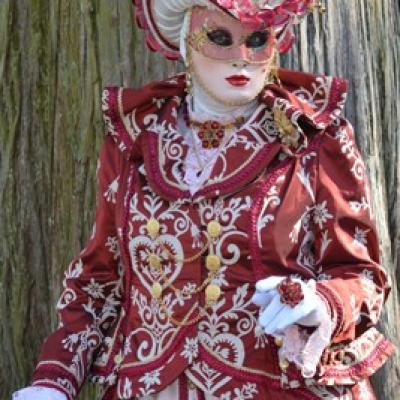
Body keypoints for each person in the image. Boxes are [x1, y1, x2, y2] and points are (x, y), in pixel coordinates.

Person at [12, 0, 395, 399]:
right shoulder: (135, 141)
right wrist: (54, 381)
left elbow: (361, 275)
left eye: (257, 39)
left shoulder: (313, 138)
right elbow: (100, 281)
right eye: (219, 37)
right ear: (184, 40)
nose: (242, 58)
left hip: (279, 387)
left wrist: (324, 304)